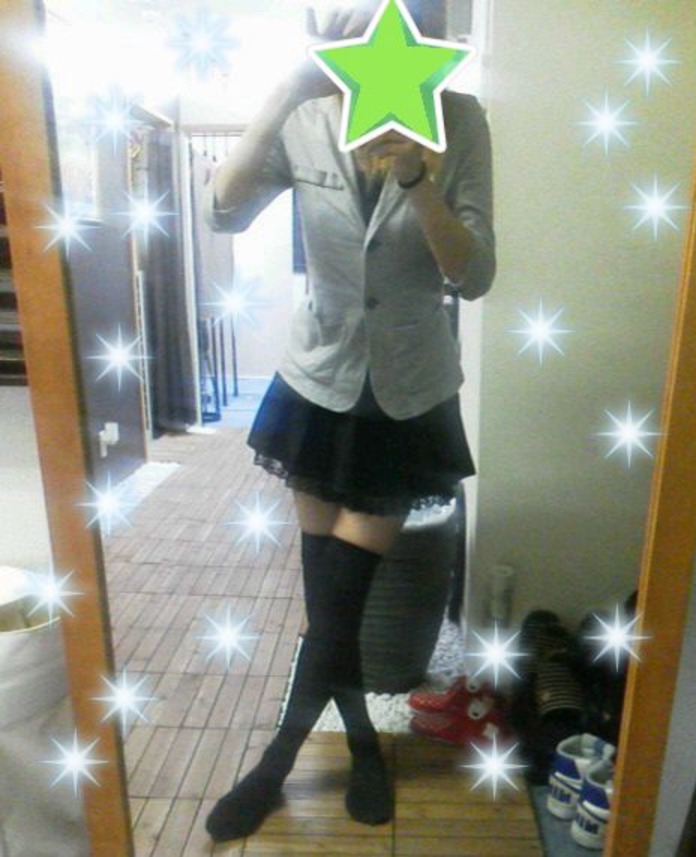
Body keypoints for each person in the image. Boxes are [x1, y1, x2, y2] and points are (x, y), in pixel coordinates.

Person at [203, 0, 495, 842]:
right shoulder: (306, 116)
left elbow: (475, 275)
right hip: (318, 384)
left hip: (405, 397)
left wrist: (415, 181)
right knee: (327, 601)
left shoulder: (460, 119)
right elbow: (223, 210)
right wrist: (284, 90)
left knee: (339, 602)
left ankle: (275, 764)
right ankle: (364, 745)